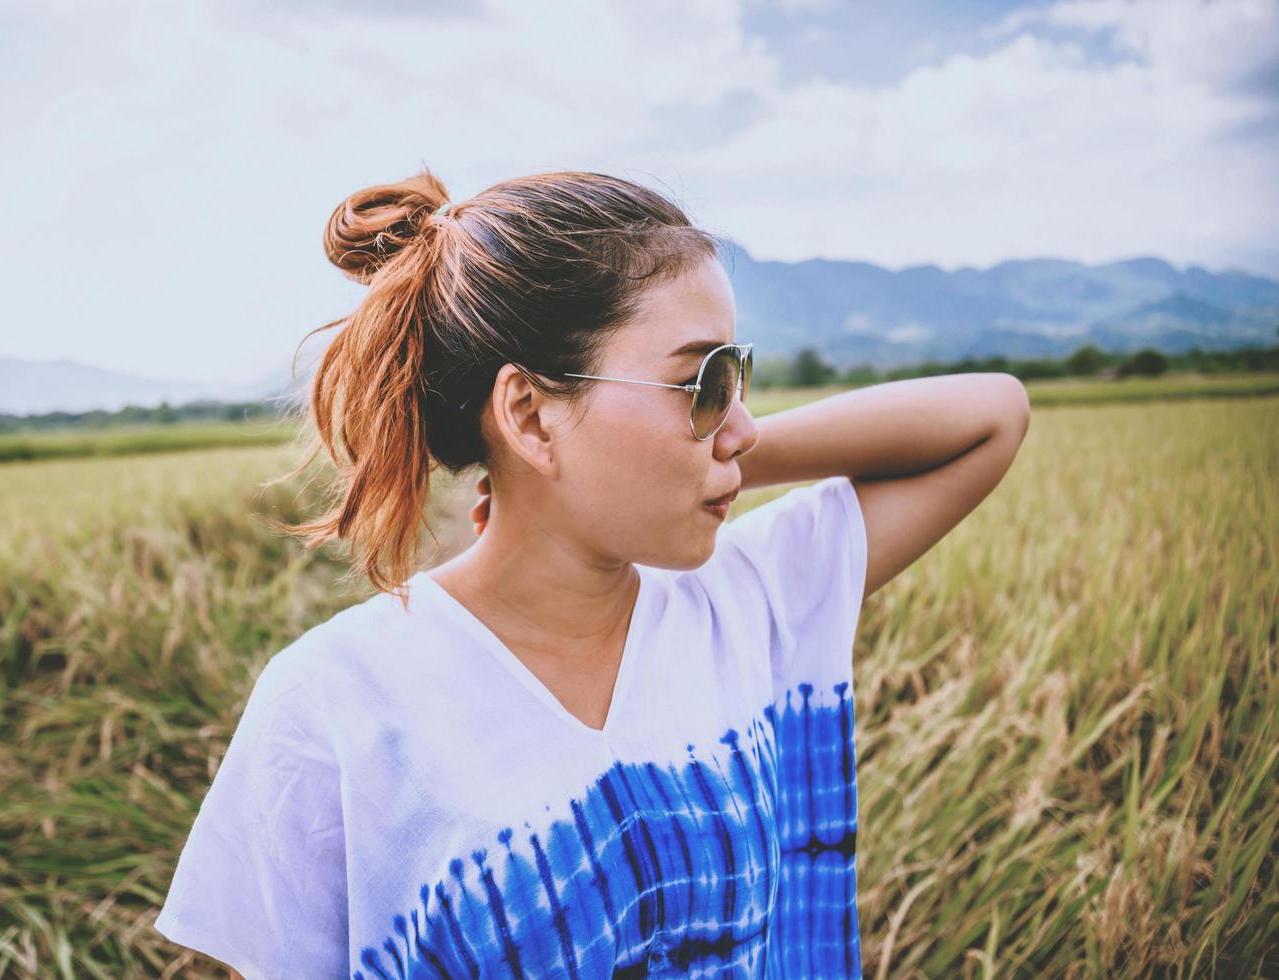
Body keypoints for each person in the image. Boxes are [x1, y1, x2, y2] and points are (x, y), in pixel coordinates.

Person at [152, 168, 1030, 979]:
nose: (746, 426)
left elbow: (991, 415)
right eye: (702, 384)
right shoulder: (331, 705)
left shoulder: (740, 599)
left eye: (739, 377)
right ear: (529, 414)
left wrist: (703, 461)